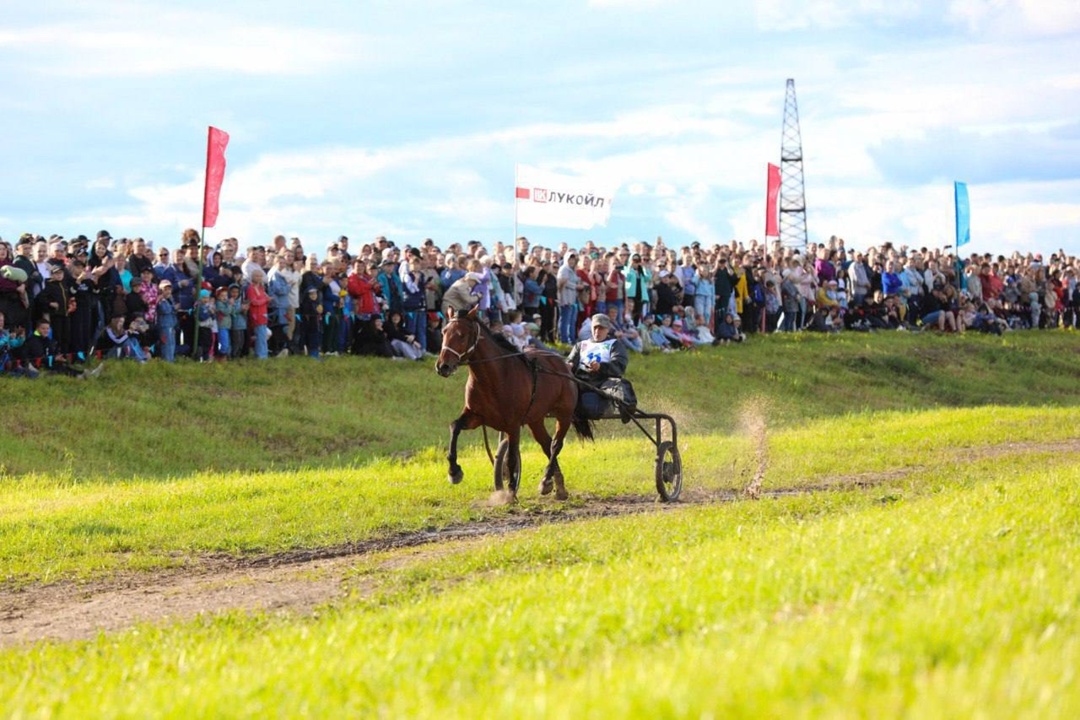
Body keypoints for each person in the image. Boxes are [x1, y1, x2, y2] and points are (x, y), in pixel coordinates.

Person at [566, 312, 635, 421]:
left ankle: (627, 407)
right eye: (595, 328)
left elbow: (619, 366)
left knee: (619, 386)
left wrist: (600, 367)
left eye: (601, 328)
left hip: (603, 383)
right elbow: (570, 361)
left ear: (608, 329)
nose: (597, 332)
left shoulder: (615, 345)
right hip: (581, 382)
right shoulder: (581, 345)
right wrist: (569, 365)